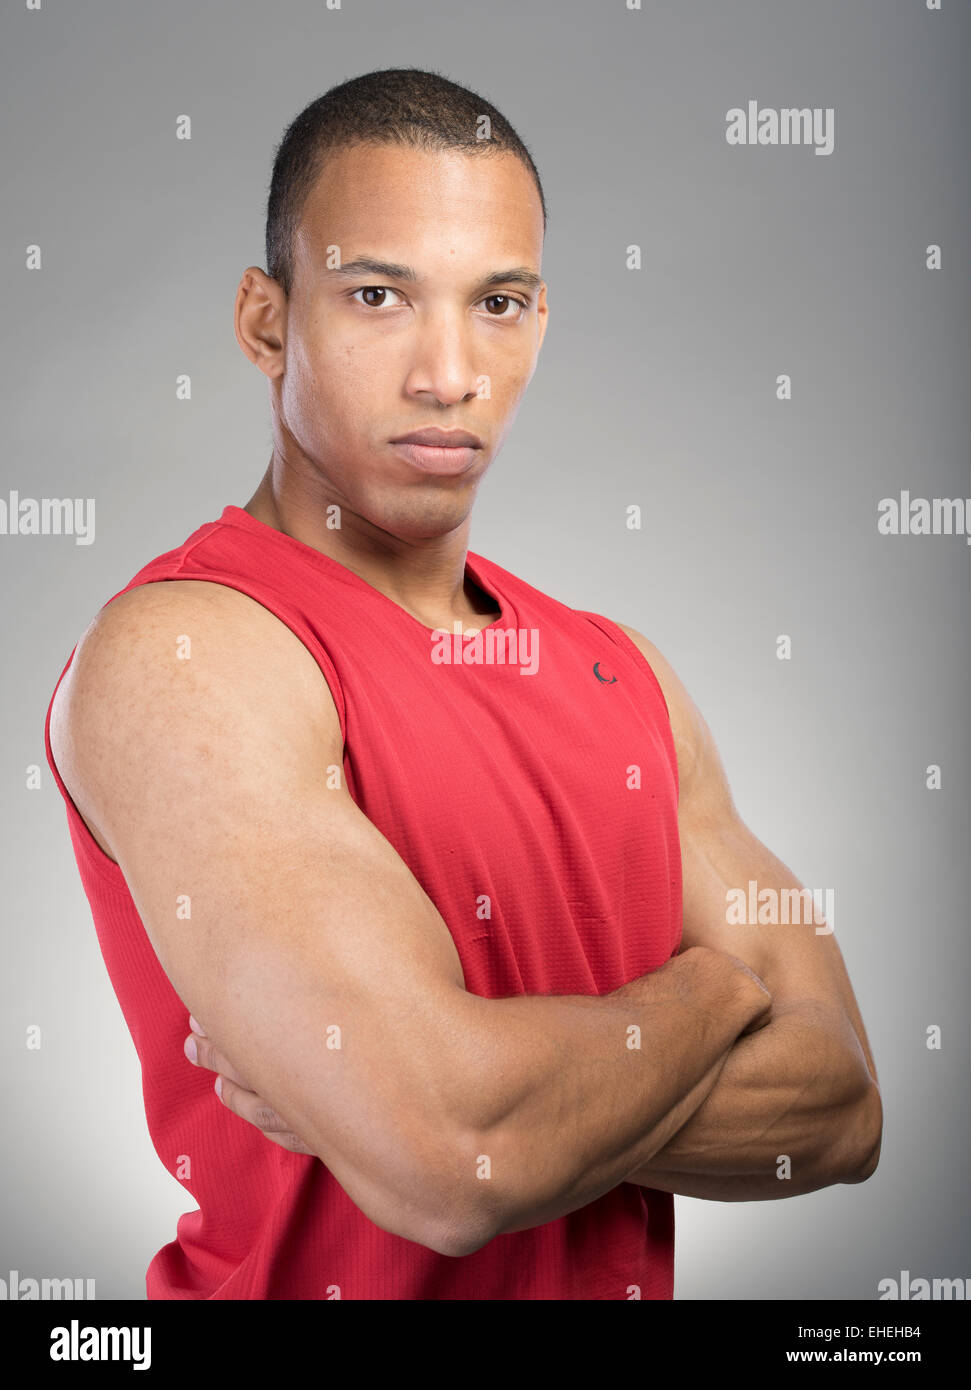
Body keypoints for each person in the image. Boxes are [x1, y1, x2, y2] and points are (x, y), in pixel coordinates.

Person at [44, 68, 881, 1301]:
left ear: (540, 323)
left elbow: (842, 1113)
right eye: (377, 294)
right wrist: (718, 989)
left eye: (497, 301)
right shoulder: (190, 654)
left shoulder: (625, 673)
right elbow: (457, 1160)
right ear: (266, 321)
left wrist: (474, 1107)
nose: (448, 372)